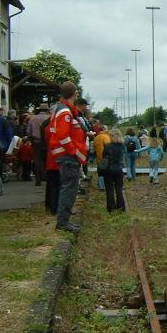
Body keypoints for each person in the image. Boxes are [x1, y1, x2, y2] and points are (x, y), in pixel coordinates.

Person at [48, 81, 88, 232]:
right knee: (69, 188)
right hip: (68, 156)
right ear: (74, 93)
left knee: (69, 187)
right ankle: (63, 222)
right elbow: (63, 136)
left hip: (66, 155)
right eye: (77, 92)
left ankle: (64, 220)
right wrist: (74, 152)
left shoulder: (63, 110)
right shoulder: (65, 112)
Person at [102, 129, 126, 212]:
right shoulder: (122, 146)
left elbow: (103, 158)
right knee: (119, 189)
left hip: (109, 170)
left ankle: (111, 208)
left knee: (109, 189)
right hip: (119, 169)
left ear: (112, 136)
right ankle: (121, 207)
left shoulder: (107, 146)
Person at [93, 125, 110, 190]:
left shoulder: (96, 138)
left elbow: (94, 149)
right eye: (106, 129)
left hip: (98, 158)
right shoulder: (106, 137)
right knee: (106, 172)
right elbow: (108, 147)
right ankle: (106, 185)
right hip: (106, 158)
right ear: (103, 129)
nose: (107, 130)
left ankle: (101, 186)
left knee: (100, 172)